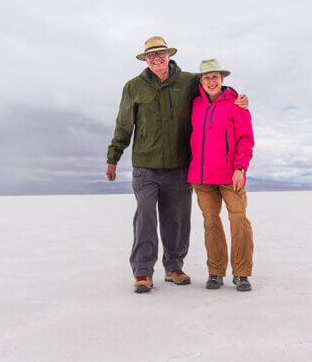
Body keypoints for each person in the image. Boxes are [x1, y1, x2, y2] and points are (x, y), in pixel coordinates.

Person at [106, 37, 247, 293]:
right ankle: (142, 272)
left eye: (161, 54)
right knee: (145, 218)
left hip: (179, 167)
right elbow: (124, 124)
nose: (156, 59)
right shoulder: (134, 87)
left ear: (169, 54)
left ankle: (174, 267)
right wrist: (113, 157)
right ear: (145, 59)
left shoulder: (188, 81)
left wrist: (237, 97)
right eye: (151, 56)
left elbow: (214, 87)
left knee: (177, 220)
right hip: (145, 167)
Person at [187, 59, 255, 292]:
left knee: (239, 220)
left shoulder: (236, 104)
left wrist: (240, 168)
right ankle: (215, 271)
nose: (211, 81)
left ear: (222, 79)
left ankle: (241, 273)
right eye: (206, 78)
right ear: (201, 82)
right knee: (211, 223)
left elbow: (246, 140)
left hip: (229, 175)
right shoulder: (194, 103)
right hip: (201, 177)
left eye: (215, 76)